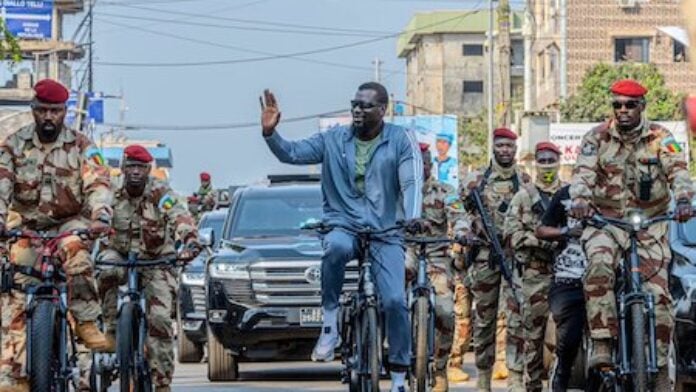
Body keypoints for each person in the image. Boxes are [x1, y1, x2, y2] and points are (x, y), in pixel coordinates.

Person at [260, 82, 423, 392]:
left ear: (382, 110)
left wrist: (412, 216)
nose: (358, 111)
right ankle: (330, 323)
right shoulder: (334, 139)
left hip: (386, 231)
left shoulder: (401, 139)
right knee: (334, 247)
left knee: (395, 301)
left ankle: (400, 377)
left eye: (365, 106)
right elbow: (293, 153)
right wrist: (271, 134)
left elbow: (412, 179)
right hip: (343, 224)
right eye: (354, 104)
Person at [569, 79, 694, 386]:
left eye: (630, 105)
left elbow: (679, 172)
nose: (623, 111)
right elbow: (582, 174)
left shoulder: (661, 138)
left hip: (650, 224)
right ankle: (602, 342)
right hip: (606, 222)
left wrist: (682, 200)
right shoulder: (596, 138)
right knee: (599, 265)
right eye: (617, 105)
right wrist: (581, 201)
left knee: (662, 297)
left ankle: (661, 363)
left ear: (642, 107)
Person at [0, 79, 112, 391]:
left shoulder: (81, 146)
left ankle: (86, 323)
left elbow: (98, 185)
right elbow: (1, 185)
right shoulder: (13, 145)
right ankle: (14, 373)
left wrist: (100, 216)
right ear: (33, 110)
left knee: (75, 248)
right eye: (44, 110)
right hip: (26, 226)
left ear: (64, 112)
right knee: (14, 292)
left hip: (68, 224)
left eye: (56, 111)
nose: (49, 117)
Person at [97, 145, 200, 392]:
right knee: (106, 270)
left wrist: (189, 240)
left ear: (148, 170)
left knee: (161, 320)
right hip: (119, 253)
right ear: (122, 168)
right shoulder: (111, 192)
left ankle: (162, 382)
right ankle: (111, 329)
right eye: (130, 166)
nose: (135, 172)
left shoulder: (160, 192)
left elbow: (178, 216)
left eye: (140, 167)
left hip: (156, 259)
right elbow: (98, 211)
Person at [449, 127, 531, 392]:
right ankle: (483, 378)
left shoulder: (525, 181)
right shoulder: (475, 181)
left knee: (515, 318)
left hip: (514, 257)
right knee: (485, 319)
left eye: (509, 146)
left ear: (515, 149)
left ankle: (514, 376)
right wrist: (467, 230)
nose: (505, 150)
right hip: (484, 257)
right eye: (500, 145)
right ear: (493, 147)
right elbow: (462, 214)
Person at [502, 142, 563, 391]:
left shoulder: (569, 194)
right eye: (542, 160)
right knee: (533, 334)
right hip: (535, 273)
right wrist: (544, 240)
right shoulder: (524, 196)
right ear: (535, 163)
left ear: (559, 161)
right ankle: (534, 383)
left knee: (570, 330)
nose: (546, 165)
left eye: (551, 160)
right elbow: (512, 234)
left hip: (566, 272)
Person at [406, 143, 457, 392]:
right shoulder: (396, 190)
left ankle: (440, 369)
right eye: (415, 163)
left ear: (430, 165)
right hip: (405, 252)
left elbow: (460, 216)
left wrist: (464, 230)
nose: (420, 168)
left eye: (424, 163)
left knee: (446, 311)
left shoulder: (445, 191)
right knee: (389, 299)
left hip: (436, 257)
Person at [536, 184, 587, 392]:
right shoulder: (566, 194)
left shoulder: (624, 187)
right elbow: (540, 229)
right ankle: (561, 375)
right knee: (569, 339)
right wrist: (566, 231)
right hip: (571, 275)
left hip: (612, 272)